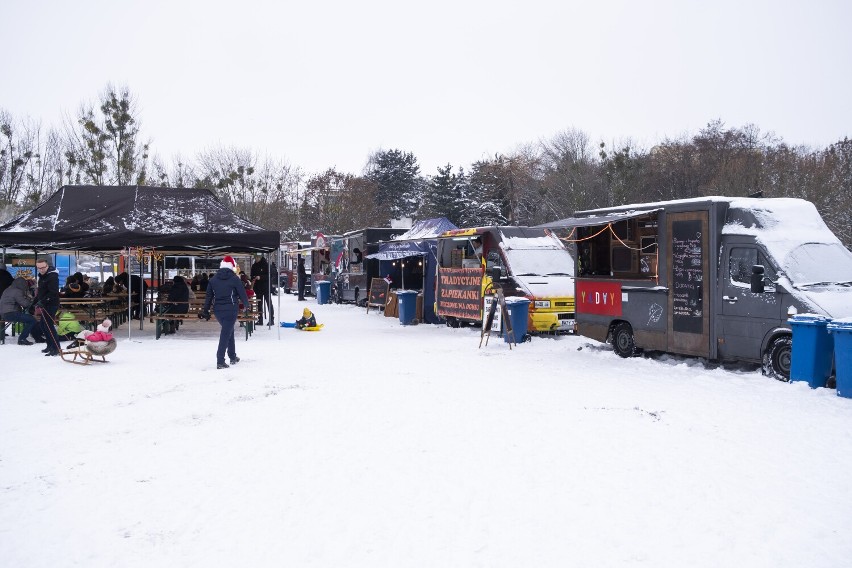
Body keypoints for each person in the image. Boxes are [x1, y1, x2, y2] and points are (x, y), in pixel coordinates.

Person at [201, 255, 249, 369]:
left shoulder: (213, 280)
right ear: (231, 266)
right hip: (231, 309)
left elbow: (208, 296)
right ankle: (220, 360)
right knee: (225, 333)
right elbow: (242, 292)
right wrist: (246, 305)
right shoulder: (234, 279)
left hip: (218, 310)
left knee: (229, 331)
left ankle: (232, 356)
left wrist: (206, 310)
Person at [34, 258, 62, 356]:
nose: (41, 270)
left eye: (43, 267)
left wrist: (44, 301)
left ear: (47, 266)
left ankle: (56, 348)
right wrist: (34, 302)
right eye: (39, 268)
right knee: (43, 325)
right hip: (44, 304)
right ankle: (50, 345)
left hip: (51, 304)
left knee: (48, 326)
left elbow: (53, 292)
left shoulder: (52, 276)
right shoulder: (42, 276)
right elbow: (41, 292)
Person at [0, 276, 37, 345]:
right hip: (11, 313)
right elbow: (25, 304)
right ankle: (22, 339)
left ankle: (31, 337)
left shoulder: (8, 289)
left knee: (28, 318)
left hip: (3, 313)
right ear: (23, 285)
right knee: (32, 320)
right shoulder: (17, 291)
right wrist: (30, 299)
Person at [250, 255, 274, 325]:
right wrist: (253, 279)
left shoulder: (266, 265)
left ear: (260, 258)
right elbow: (252, 275)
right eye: (255, 258)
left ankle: (271, 319)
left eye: (258, 257)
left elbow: (270, 276)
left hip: (266, 287)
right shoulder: (254, 266)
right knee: (259, 304)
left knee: (269, 303)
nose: (256, 259)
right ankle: (260, 320)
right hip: (258, 288)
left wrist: (260, 277)